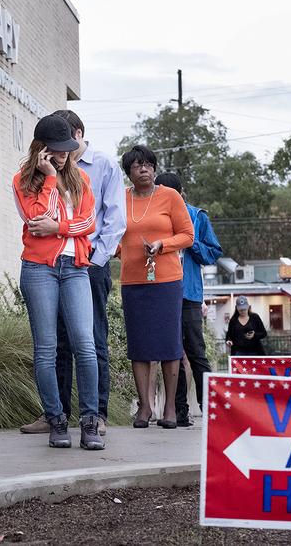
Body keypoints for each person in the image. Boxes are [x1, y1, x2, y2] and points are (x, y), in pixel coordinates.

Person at [20, 110, 126, 436]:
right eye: (58, 148)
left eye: (68, 147)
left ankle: (91, 420)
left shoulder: (82, 179)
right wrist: (49, 177)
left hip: (77, 267)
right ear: (41, 148)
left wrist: (60, 228)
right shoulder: (23, 180)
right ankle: (56, 420)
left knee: (86, 344)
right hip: (39, 269)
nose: (65, 153)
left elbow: (89, 224)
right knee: (47, 349)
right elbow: (36, 221)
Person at [118, 145, 194, 430]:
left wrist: (163, 245)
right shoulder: (120, 198)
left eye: (149, 164)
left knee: (168, 343)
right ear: (129, 172)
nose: (145, 169)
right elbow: (114, 232)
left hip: (166, 280)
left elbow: (188, 235)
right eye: (138, 165)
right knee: (139, 344)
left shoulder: (169, 196)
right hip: (133, 280)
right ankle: (145, 407)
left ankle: (171, 408)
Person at [154, 172, 223, 427]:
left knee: (196, 352)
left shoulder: (197, 215)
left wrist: (189, 240)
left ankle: (211, 410)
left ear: (180, 194)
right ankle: (178, 412)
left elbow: (213, 253)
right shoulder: (155, 216)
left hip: (189, 294)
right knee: (170, 353)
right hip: (162, 292)